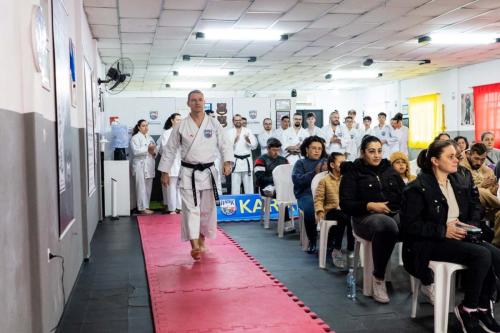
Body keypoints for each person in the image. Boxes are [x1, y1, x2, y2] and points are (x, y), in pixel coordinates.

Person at [400, 139, 500, 333]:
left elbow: (471, 209)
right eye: (451, 156)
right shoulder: (417, 187)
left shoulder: (455, 182)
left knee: (495, 255)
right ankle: (467, 309)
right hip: (429, 242)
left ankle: (482, 307)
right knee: (481, 255)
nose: (457, 160)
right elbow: (409, 226)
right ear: (436, 161)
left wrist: (469, 225)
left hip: (457, 235)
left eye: (457, 156)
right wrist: (443, 230)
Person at [158, 90, 232, 261]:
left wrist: (227, 162)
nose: (197, 103)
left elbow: (225, 145)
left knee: (207, 210)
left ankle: (202, 240)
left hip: (208, 172)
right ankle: (194, 245)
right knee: (191, 210)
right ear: (188, 103)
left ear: (204, 102)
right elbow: (169, 150)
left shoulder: (214, 124)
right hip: (188, 172)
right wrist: (165, 171)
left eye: (200, 100)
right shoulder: (181, 126)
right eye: (194, 100)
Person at [339, 135, 405, 303]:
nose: (376, 155)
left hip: (392, 213)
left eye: (379, 151)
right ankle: (378, 278)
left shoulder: (389, 170)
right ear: (362, 153)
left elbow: (404, 194)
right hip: (364, 218)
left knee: (415, 224)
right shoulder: (353, 172)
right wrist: (370, 205)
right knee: (387, 226)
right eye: (371, 151)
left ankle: (424, 279)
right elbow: (346, 204)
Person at [314, 152, 354, 268]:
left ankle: (351, 249)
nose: (344, 164)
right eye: (341, 162)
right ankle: (336, 249)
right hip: (331, 210)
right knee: (342, 216)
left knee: (351, 217)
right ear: (332, 164)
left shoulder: (347, 179)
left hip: (345, 210)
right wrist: (320, 212)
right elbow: (318, 199)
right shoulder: (324, 180)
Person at [292, 136, 328, 254]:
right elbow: (297, 180)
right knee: (310, 208)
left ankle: (332, 244)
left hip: (326, 195)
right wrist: (314, 173)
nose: (317, 151)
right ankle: (312, 241)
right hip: (305, 194)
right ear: (306, 149)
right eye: (314, 148)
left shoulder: (327, 162)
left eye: (319, 148)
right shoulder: (300, 163)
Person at [461, 143, 500, 245]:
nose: (479, 162)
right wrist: (483, 185)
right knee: (478, 192)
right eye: (476, 158)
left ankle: (497, 244)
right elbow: (468, 188)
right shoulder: (460, 165)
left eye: (482, 159)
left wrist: (492, 189)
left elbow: (493, 186)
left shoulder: (485, 167)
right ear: (469, 154)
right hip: (469, 199)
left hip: (488, 203)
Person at [254, 138, 294, 232]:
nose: (276, 152)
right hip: (266, 188)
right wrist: (277, 180)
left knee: (292, 192)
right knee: (283, 195)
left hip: (281, 187)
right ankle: (287, 223)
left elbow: (289, 175)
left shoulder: (284, 160)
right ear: (268, 148)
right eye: (274, 150)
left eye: (278, 150)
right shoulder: (260, 160)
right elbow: (260, 178)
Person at [226, 114, 257, 194]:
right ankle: (236, 204)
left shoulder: (248, 131)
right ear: (233, 122)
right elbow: (227, 148)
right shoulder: (229, 132)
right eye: (236, 120)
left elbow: (254, 146)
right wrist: (235, 141)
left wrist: (248, 140)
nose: (238, 122)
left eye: (239, 120)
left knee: (249, 187)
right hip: (235, 162)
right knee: (235, 187)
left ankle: (250, 204)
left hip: (247, 161)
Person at [131, 119, 157, 215]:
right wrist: (147, 149)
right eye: (143, 125)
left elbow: (155, 151)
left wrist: (153, 152)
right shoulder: (135, 138)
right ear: (138, 127)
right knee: (141, 187)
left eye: (147, 125)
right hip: (140, 165)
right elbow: (135, 151)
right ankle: (141, 208)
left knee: (148, 187)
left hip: (149, 164)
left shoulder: (150, 138)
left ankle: (146, 206)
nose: (146, 127)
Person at [157, 113, 182, 214]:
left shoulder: (183, 132)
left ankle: (180, 207)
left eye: (181, 120)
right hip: (170, 164)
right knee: (171, 187)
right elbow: (164, 149)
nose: (179, 122)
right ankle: (172, 208)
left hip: (181, 163)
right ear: (172, 121)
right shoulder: (167, 133)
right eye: (177, 120)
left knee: (180, 187)